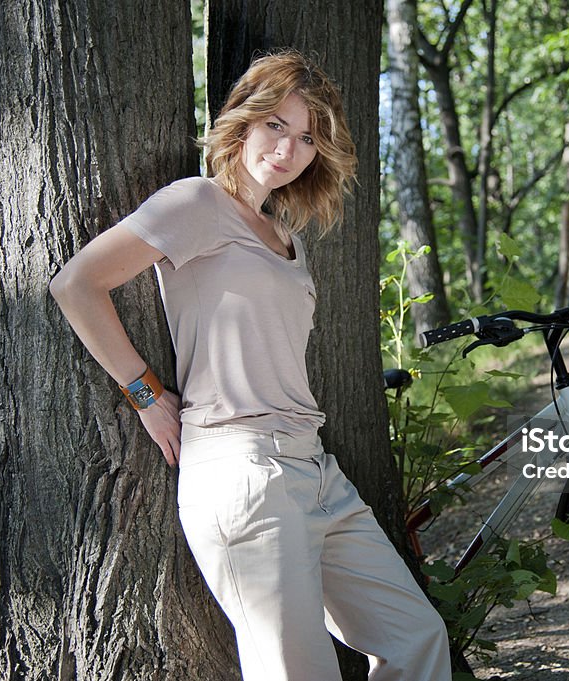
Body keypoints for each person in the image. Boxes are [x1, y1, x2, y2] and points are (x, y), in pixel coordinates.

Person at [49, 50, 451, 681]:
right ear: (244, 120)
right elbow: (77, 285)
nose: (287, 149)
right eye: (276, 126)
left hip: (315, 469)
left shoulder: (284, 238)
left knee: (417, 638)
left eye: (306, 138)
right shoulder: (196, 203)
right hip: (242, 470)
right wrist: (145, 393)